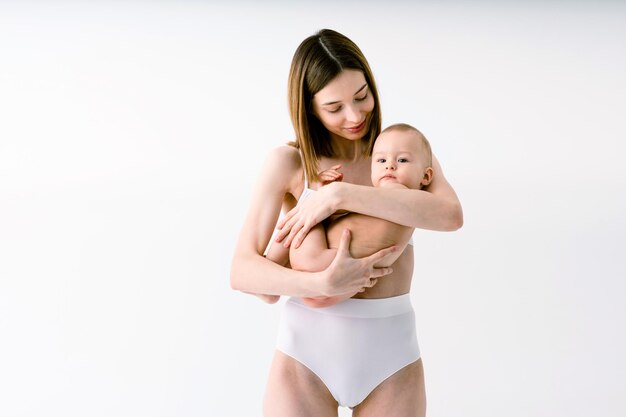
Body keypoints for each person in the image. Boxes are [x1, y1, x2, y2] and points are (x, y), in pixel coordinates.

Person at [230, 29, 462, 416]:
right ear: (309, 108)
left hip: (391, 354)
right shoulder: (289, 164)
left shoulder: (400, 153)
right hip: (305, 355)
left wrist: (337, 196)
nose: (354, 116)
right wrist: (320, 284)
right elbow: (243, 272)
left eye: (361, 97)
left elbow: (451, 216)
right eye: (334, 107)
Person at [261, 123, 434, 309]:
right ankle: (268, 276)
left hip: (319, 260)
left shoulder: (401, 195)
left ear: (426, 176)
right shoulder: (386, 201)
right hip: (342, 270)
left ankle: (269, 272)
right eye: (381, 161)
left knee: (304, 216)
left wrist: (319, 196)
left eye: (402, 161)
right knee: (305, 218)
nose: (390, 166)